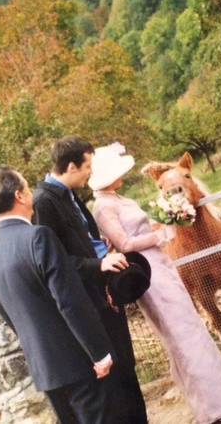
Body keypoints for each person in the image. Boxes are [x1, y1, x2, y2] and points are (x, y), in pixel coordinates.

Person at [89, 143, 221, 424]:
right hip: (146, 270)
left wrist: (164, 223)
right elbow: (124, 243)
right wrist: (162, 234)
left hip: (160, 263)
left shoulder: (117, 198)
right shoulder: (103, 207)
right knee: (182, 335)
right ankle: (214, 405)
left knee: (192, 329)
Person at [0, 167, 125, 423]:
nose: (30, 194)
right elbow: (69, 300)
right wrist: (97, 353)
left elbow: (6, 314)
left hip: (45, 370)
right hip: (79, 363)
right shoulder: (38, 237)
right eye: (27, 188)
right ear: (20, 196)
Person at [32, 136, 147, 423]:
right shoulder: (44, 203)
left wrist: (101, 248)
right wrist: (99, 264)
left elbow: (83, 241)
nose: (90, 173)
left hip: (106, 293)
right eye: (88, 167)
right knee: (116, 380)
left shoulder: (70, 194)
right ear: (71, 166)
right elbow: (55, 263)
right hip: (90, 302)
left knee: (128, 368)